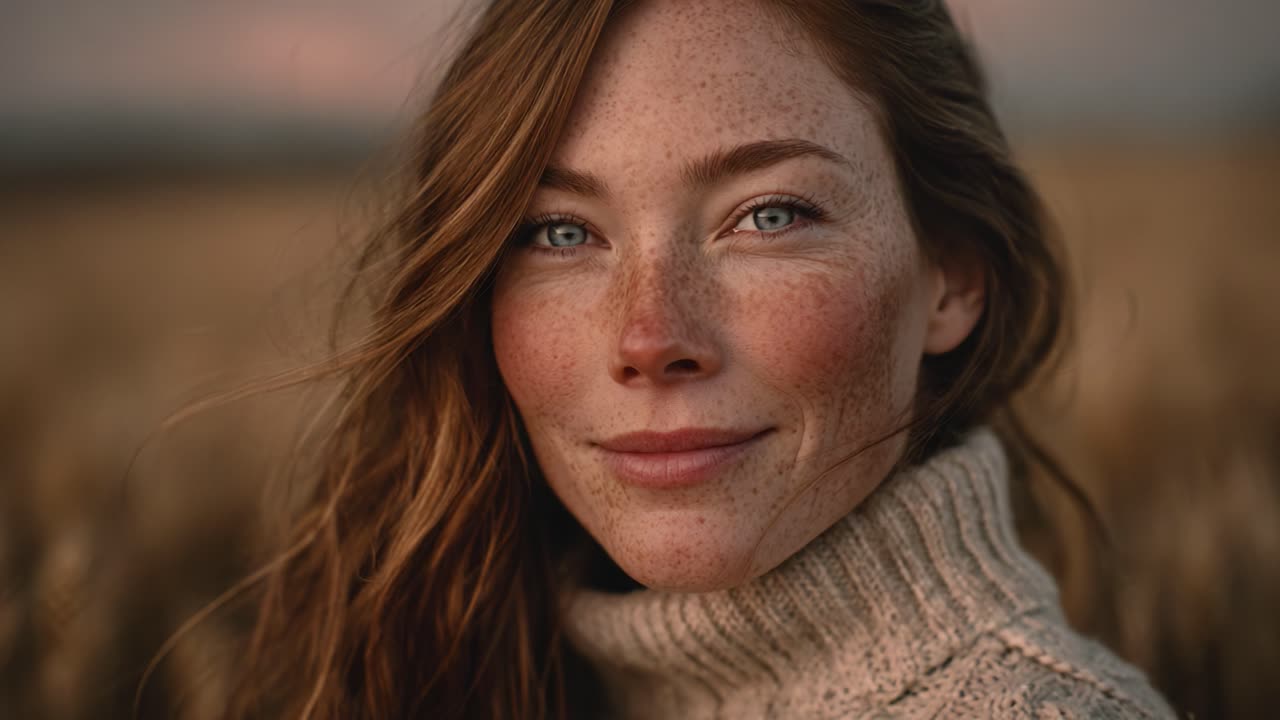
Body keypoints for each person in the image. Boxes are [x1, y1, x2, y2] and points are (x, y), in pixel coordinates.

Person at [227, 0, 1177, 717]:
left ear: (953, 280)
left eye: (769, 216)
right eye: (560, 231)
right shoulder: (468, 670)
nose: (650, 339)